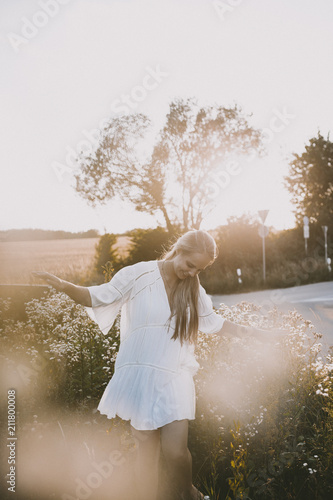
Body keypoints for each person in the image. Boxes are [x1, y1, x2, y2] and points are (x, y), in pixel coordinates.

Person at [32, 229, 283, 500]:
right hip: (139, 372)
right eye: (190, 265)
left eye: (199, 269)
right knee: (146, 452)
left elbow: (216, 323)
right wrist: (63, 285)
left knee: (175, 452)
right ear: (179, 250)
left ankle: (188, 492)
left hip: (175, 374)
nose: (192, 273)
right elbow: (97, 296)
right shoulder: (138, 274)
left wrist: (259, 335)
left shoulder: (193, 289)